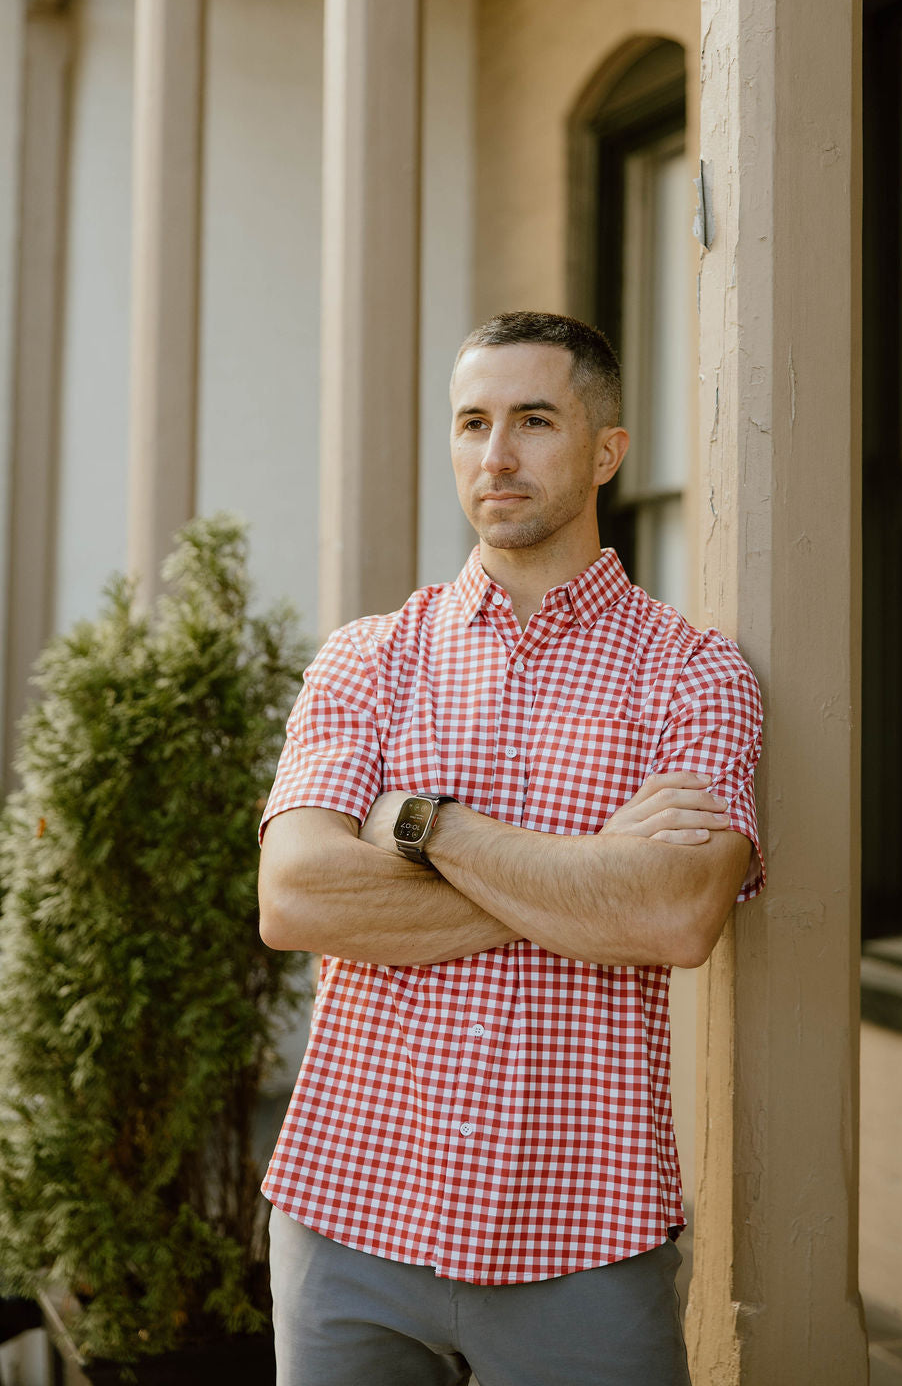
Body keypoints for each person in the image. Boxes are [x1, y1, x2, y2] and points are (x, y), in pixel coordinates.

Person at [258, 311, 764, 1386]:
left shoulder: (694, 674)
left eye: (533, 420)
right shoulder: (369, 659)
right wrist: (589, 877)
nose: (496, 455)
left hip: (587, 1237)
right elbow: (296, 898)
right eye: (472, 423)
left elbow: (675, 918)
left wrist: (422, 827)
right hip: (348, 1214)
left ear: (606, 450)